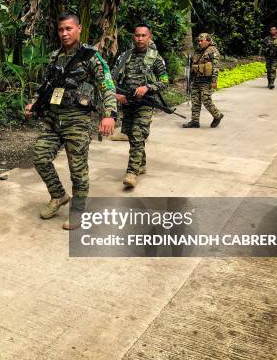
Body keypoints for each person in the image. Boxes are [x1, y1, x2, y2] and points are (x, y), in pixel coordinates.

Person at [25, 12, 117, 230]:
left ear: (79, 29)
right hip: (53, 118)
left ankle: (78, 210)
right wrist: (35, 104)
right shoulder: (55, 56)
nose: (64, 33)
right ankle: (58, 195)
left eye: (68, 29)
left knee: (77, 168)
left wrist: (109, 114)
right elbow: (46, 86)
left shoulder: (91, 57)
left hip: (77, 119)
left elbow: (107, 85)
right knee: (39, 155)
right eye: (61, 30)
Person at [111, 24, 169, 188]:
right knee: (132, 136)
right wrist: (117, 94)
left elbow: (164, 81)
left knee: (137, 136)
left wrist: (148, 88)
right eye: (137, 35)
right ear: (133, 37)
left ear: (149, 37)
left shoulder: (155, 58)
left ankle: (131, 173)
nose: (140, 38)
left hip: (144, 104)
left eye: (144, 35)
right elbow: (112, 79)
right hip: (127, 103)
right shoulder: (124, 56)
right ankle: (141, 164)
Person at [182, 33, 223, 129]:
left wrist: (214, 80)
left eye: (201, 41)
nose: (199, 43)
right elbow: (193, 64)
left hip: (206, 80)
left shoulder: (213, 51)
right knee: (195, 100)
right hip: (196, 79)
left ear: (208, 41)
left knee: (206, 100)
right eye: (199, 41)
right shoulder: (198, 51)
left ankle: (217, 115)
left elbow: (216, 67)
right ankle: (195, 121)